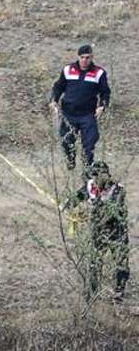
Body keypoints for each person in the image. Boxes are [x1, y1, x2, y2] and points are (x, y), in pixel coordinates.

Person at [63, 162, 129, 302]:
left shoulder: (118, 190)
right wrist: (68, 205)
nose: (96, 179)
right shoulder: (89, 186)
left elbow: (111, 212)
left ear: (106, 175)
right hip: (97, 232)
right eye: (94, 175)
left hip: (116, 232)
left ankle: (118, 293)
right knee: (94, 261)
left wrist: (89, 214)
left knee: (120, 262)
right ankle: (92, 292)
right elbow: (75, 199)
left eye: (99, 175)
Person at [50, 44, 111, 173]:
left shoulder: (99, 73)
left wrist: (102, 106)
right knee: (66, 141)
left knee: (89, 144)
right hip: (69, 114)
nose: (85, 60)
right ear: (78, 57)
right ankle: (70, 160)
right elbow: (58, 86)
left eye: (88, 57)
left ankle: (87, 170)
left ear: (92, 57)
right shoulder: (68, 70)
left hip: (87, 115)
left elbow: (105, 92)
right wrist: (53, 100)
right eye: (82, 57)